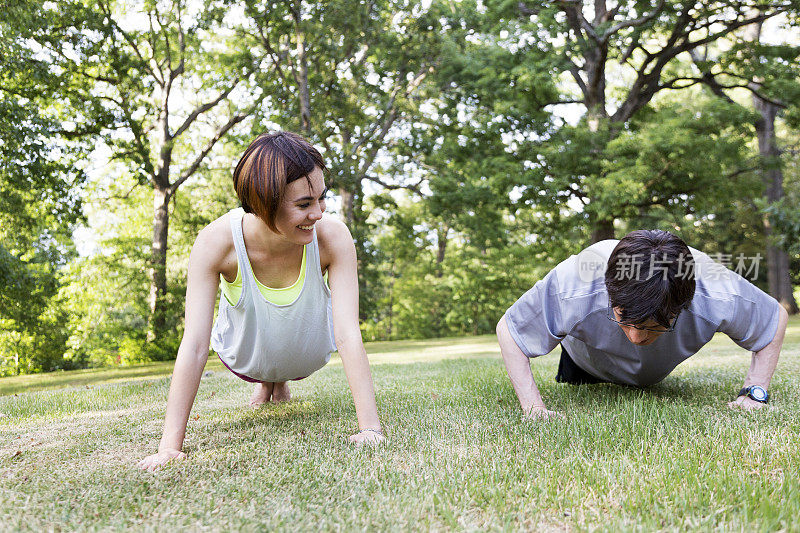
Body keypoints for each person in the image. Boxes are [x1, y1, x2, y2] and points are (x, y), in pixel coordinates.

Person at [138, 132, 383, 470]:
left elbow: (347, 333)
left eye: (321, 198)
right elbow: (195, 344)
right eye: (303, 204)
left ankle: (277, 379)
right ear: (264, 202)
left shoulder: (332, 237)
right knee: (256, 328)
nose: (318, 213)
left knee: (290, 332)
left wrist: (370, 428)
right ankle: (268, 380)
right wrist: (169, 447)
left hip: (306, 353)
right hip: (245, 356)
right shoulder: (216, 242)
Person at [496, 229, 789, 419]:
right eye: (624, 318)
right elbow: (510, 330)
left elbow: (773, 319)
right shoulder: (575, 282)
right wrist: (533, 409)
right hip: (586, 364)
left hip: (655, 372)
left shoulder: (718, 289)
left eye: (654, 325)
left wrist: (754, 392)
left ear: (684, 305)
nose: (636, 337)